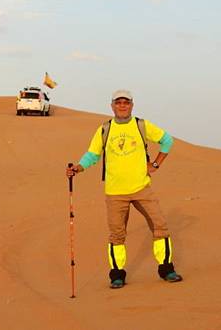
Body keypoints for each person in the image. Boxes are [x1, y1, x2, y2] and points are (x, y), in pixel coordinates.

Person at [66, 89, 183, 289]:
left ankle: (166, 269)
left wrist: (155, 165)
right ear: (112, 106)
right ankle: (117, 275)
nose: (122, 106)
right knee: (117, 234)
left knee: (160, 226)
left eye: (125, 102)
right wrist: (78, 168)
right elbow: (93, 154)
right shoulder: (104, 129)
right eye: (118, 102)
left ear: (132, 105)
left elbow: (167, 141)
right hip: (115, 192)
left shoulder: (141, 125)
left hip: (141, 188)